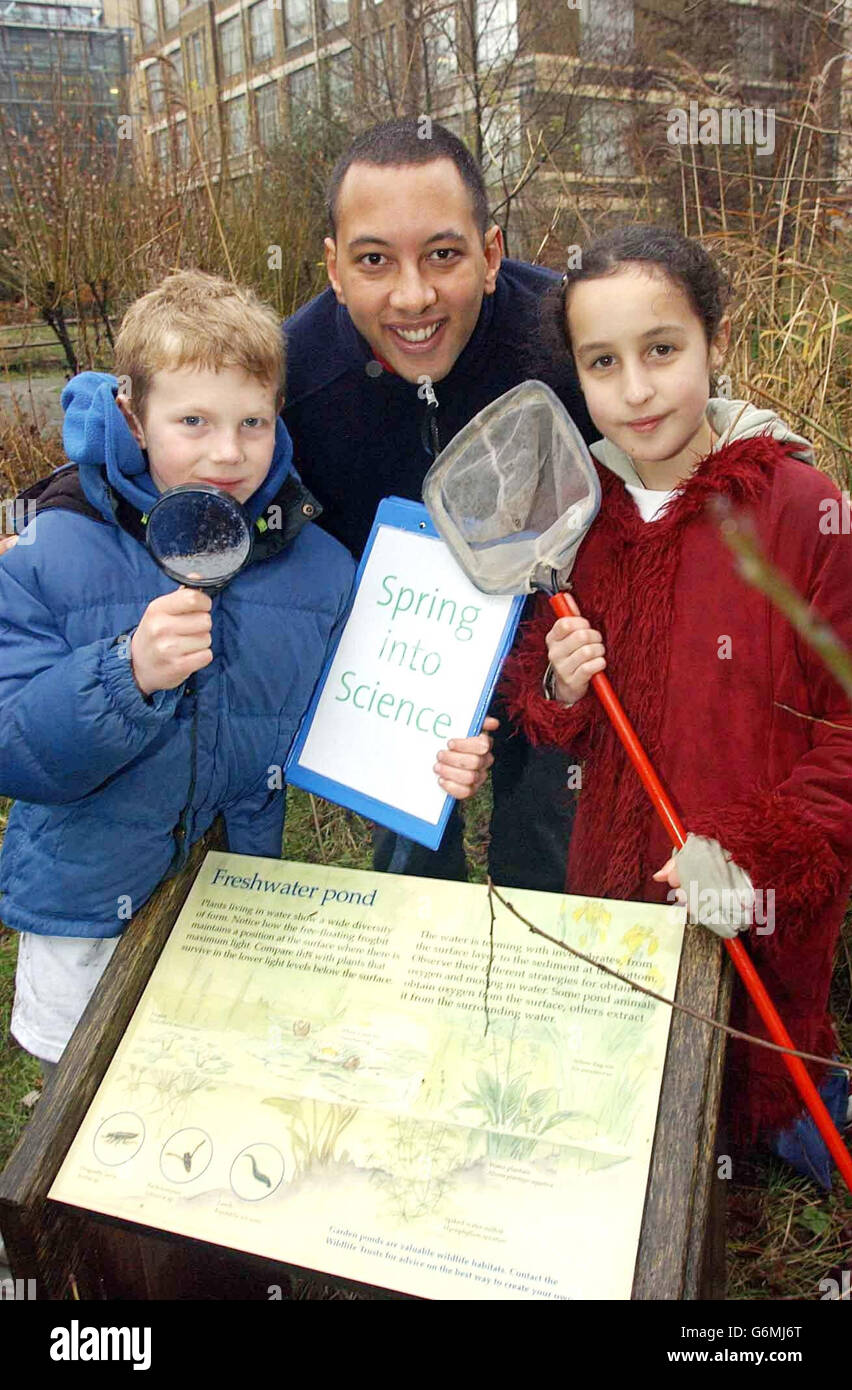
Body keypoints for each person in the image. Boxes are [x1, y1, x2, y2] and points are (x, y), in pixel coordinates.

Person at [0, 269, 492, 1080]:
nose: (227, 452)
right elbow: (17, 750)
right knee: (81, 1121)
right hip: (85, 914)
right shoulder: (52, 550)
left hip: (230, 902)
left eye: (252, 423)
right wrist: (126, 676)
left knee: (205, 1086)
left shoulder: (318, 569)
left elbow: (349, 720)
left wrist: (430, 756)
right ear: (134, 415)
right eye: (192, 420)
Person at [499, 225, 852, 1158]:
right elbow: (544, 708)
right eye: (602, 363)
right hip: (618, 893)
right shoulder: (583, 520)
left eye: (663, 350)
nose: (638, 389)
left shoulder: (800, 509)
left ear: (716, 342)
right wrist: (558, 684)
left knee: (766, 1102)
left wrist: (752, 857)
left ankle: (795, 1109)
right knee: (638, 1122)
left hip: (755, 902)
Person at [283, 117, 600, 889]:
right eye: (373, 261)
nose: (413, 296)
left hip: (547, 635)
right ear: (333, 268)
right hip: (400, 659)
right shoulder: (292, 373)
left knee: (548, 835)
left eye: (444, 255)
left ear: (490, 255)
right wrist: (61, 509)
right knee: (408, 863)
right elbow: (182, 451)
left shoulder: (564, 335)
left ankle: (541, 960)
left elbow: (671, 420)